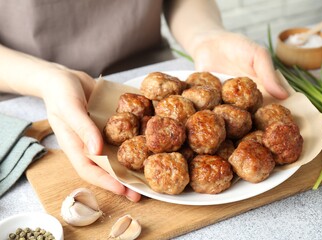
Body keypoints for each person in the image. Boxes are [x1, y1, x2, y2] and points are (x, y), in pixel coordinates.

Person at [0, 0, 288, 202]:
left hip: (150, 62)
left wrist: (205, 36)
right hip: (21, 84)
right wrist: (48, 78)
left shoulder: (187, 116)